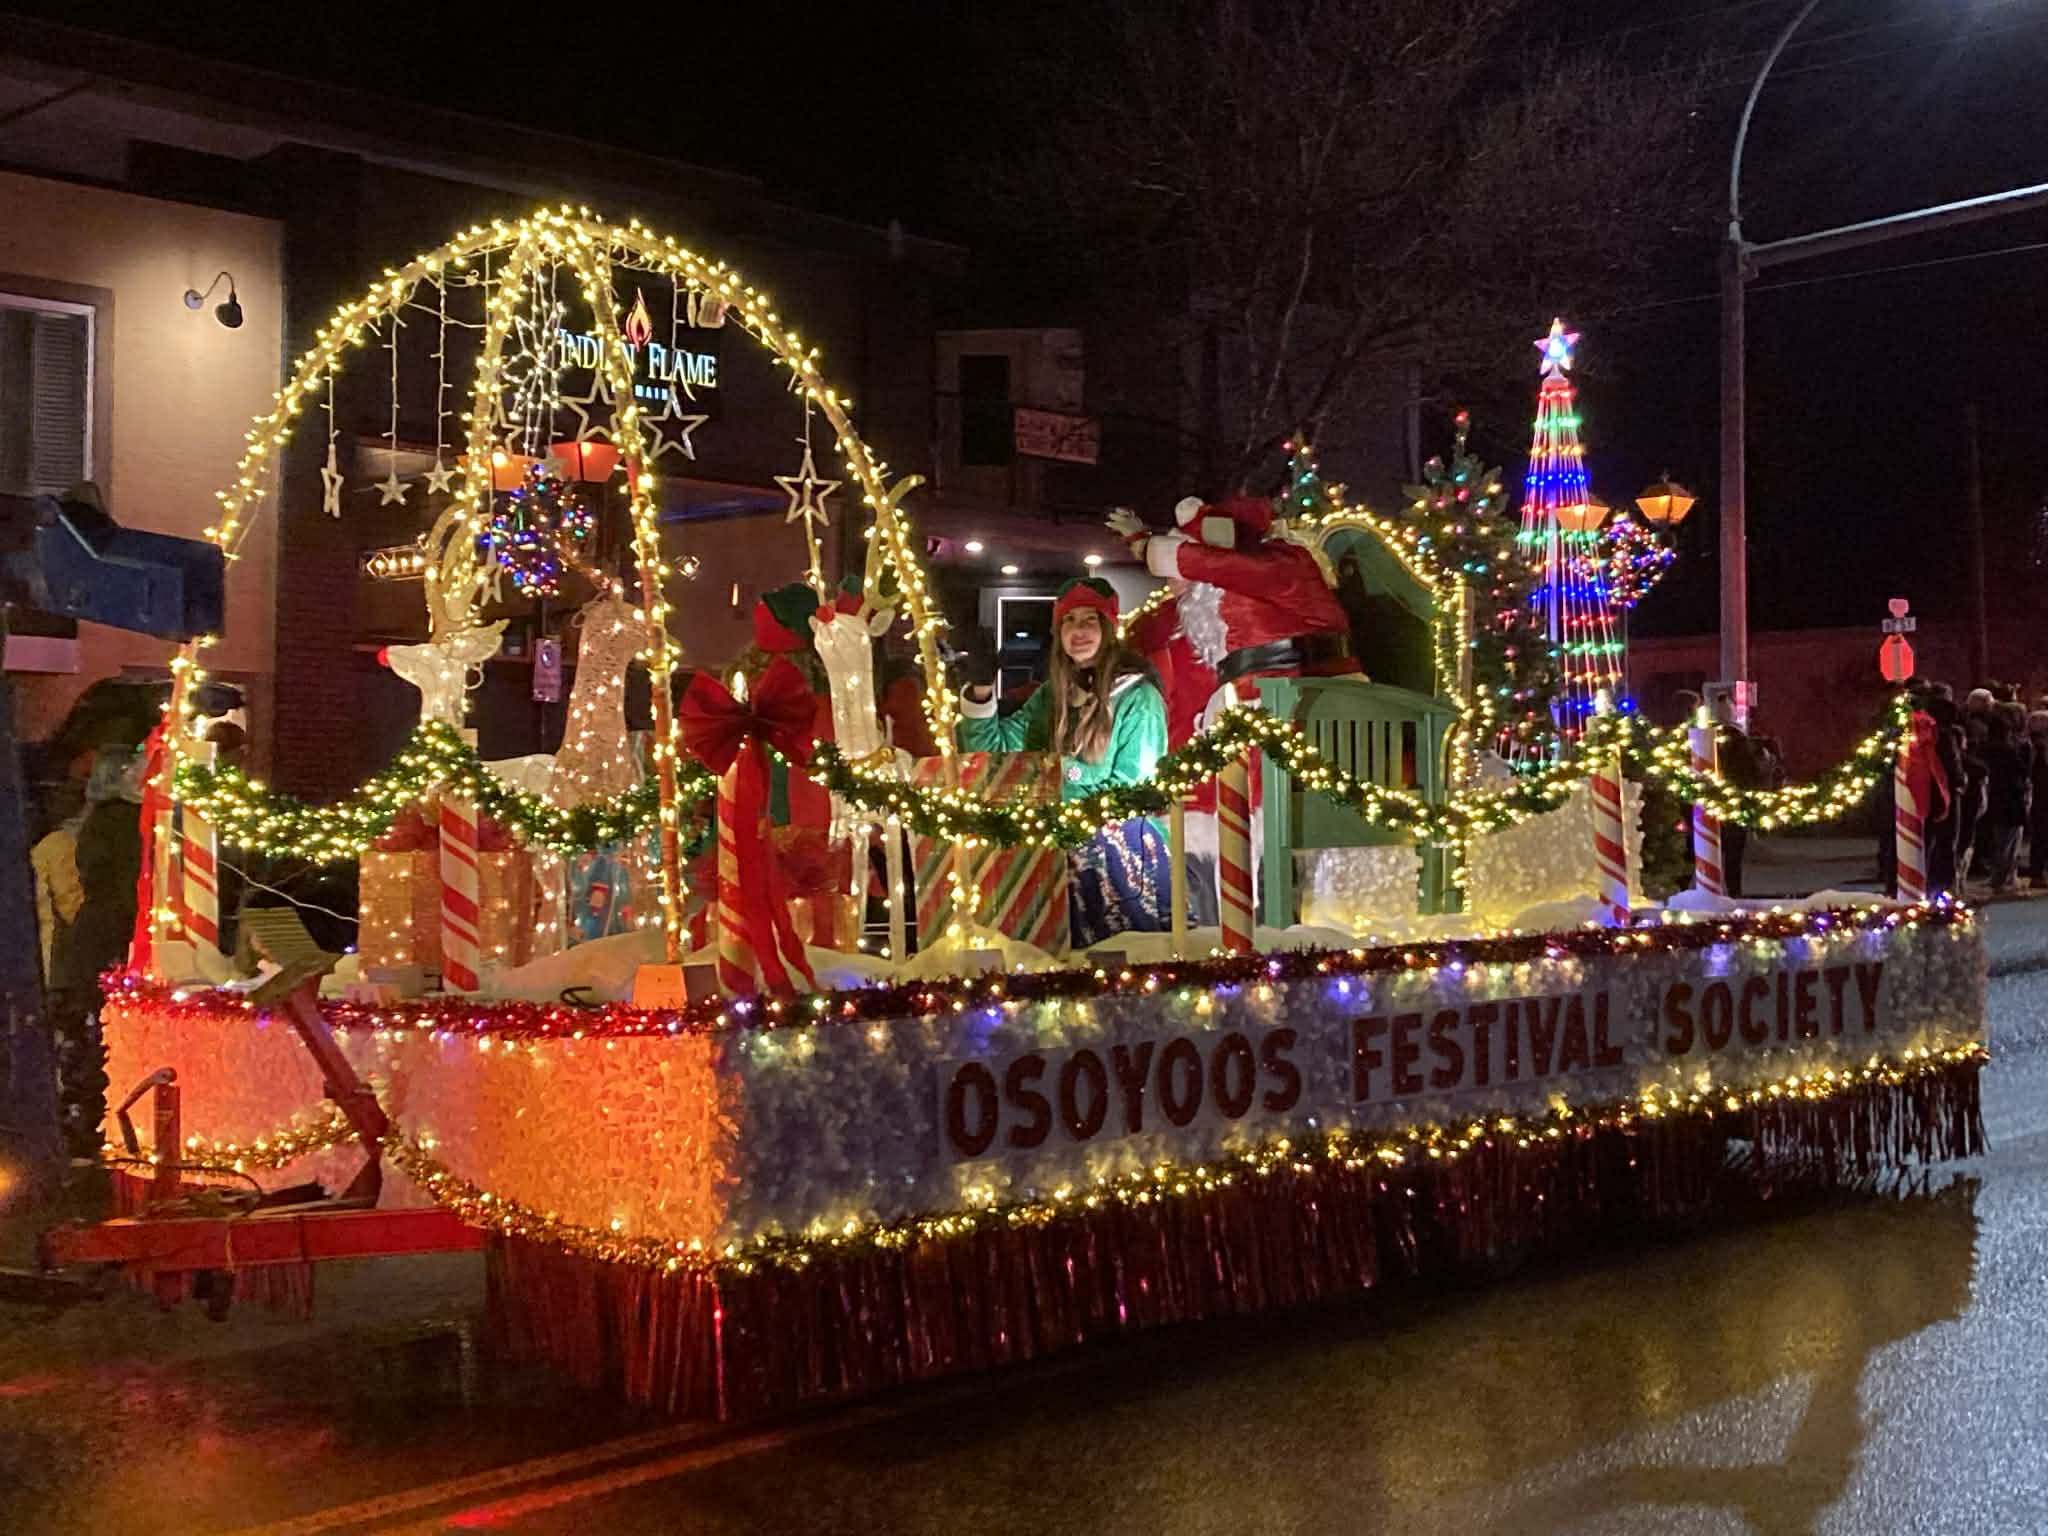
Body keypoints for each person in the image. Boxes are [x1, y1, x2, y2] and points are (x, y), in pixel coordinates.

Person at [959, 577, 1170, 948]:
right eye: (1069, 621)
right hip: (1059, 860)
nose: (1078, 631)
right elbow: (996, 753)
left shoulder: (1138, 698)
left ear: (1109, 628)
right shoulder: (1052, 696)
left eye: (1090, 620)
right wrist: (981, 691)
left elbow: (1134, 791)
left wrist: (1057, 776)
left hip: (1126, 868)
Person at [1980, 705, 2033, 894]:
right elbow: (2023, 770)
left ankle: (2000, 876)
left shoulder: (1987, 746)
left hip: (1997, 795)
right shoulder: (2009, 749)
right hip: (2012, 796)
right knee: (2010, 839)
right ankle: (2003, 879)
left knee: (2000, 838)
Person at [2027, 710, 2048, 888]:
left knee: (2039, 836)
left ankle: (2037, 873)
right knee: (2042, 836)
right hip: (2041, 796)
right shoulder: (2039, 748)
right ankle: (2038, 874)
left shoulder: (2029, 744)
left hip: (2036, 797)